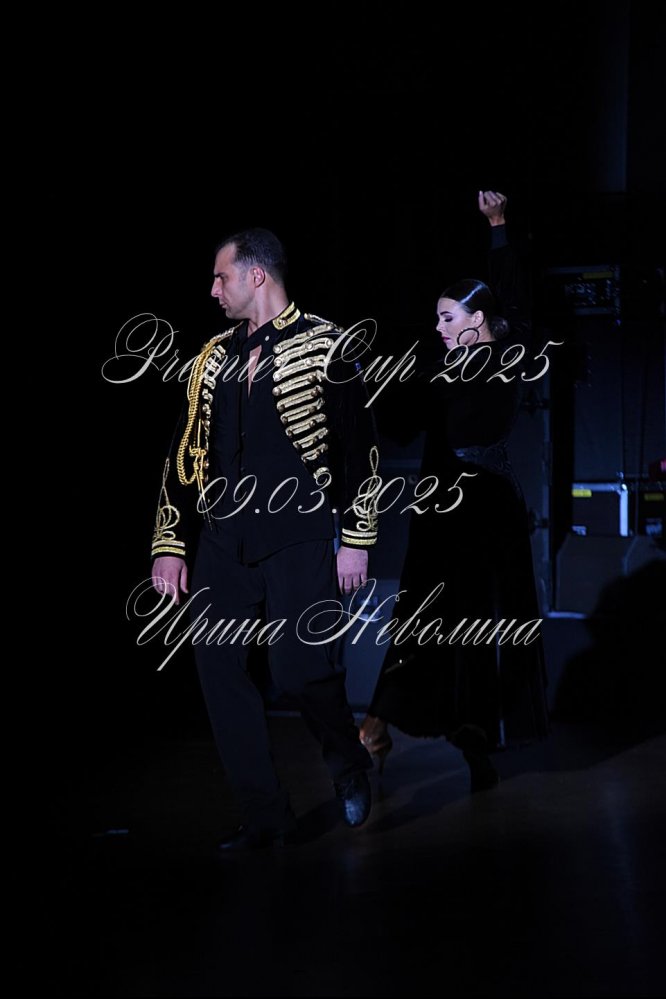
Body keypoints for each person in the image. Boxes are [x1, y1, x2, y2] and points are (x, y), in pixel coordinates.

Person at [150, 228, 378, 849]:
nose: (213, 290)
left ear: (257, 276)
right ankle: (265, 814)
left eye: (221, 277)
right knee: (216, 666)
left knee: (300, 669)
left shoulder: (328, 345)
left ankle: (348, 760)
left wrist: (357, 538)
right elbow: (182, 453)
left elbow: (359, 451)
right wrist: (170, 542)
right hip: (223, 538)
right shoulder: (211, 357)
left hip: (299, 533)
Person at [360, 191, 549, 790]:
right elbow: (398, 422)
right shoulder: (436, 371)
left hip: (490, 510)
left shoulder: (509, 356)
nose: (438, 327)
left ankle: (475, 743)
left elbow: (514, 297)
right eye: (438, 317)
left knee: (483, 626)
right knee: (424, 618)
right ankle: (378, 722)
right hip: (443, 510)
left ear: (477, 318)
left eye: (448, 317)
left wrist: (499, 228)